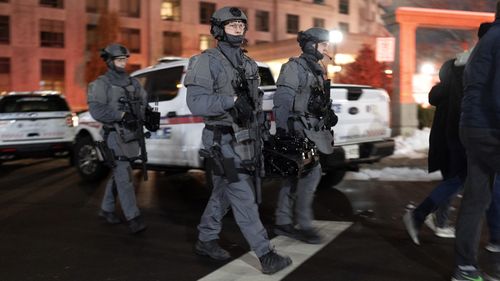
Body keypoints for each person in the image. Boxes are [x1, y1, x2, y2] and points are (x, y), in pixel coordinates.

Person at [184, 7, 292, 275]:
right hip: (223, 141)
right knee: (242, 194)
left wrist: (264, 133)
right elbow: (195, 103)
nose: (238, 29)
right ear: (219, 30)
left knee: (223, 193)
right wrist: (230, 101)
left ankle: (206, 239)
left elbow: (254, 105)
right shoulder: (205, 61)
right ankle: (266, 254)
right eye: (232, 25)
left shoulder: (248, 64)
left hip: (247, 139)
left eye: (241, 25)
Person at [403, 23, 500, 248]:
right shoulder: (480, 63)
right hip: (477, 132)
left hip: (463, 132)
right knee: (479, 183)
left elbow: (439, 95)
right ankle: (490, 241)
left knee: (467, 181)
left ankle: (426, 217)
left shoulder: (463, 63)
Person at [271, 27, 337, 244]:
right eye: (324, 44)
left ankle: (282, 221)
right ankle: (305, 225)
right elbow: (282, 101)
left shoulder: (317, 69)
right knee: (310, 176)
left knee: (292, 176)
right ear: (312, 45)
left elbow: (316, 101)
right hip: (298, 132)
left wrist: (328, 114)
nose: (327, 48)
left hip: (313, 131)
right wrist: (284, 133)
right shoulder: (293, 68)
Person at [453, 3, 500, 280]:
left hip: (473, 127)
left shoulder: (486, 41)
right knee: (477, 198)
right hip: (491, 128)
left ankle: (465, 268)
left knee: (476, 198)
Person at [87, 43, 148, 234]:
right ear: (109, 62)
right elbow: (96, 110)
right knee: (124, 176)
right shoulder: (101, 84)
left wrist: (148, 116)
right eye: (119, 60)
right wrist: (121, 115)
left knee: (119, 174)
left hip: (131, 136)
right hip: (113, 135)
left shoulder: (133, 83)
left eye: (124, 59)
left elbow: (145, 103)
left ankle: (106, 209)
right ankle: (133, 218)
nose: (122, 63)